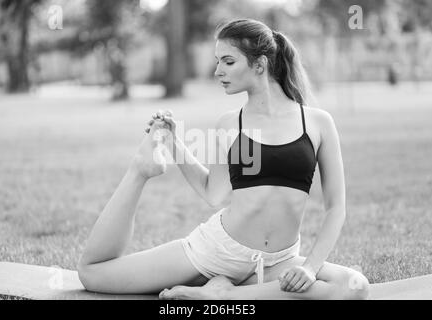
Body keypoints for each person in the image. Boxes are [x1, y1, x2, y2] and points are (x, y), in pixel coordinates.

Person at [77, 19, 370, 300]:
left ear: (260, 64)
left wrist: (309, 267)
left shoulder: (317, 123)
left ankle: (227, 294)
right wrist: (174, 142)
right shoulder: (232, 124)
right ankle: (139, 170)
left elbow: (336, 208)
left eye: (228, 61)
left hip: (279, 261)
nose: (217, 71)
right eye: (217, 61)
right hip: (217, 252)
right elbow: (213, 192)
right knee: (93, 274)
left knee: (354, 287)